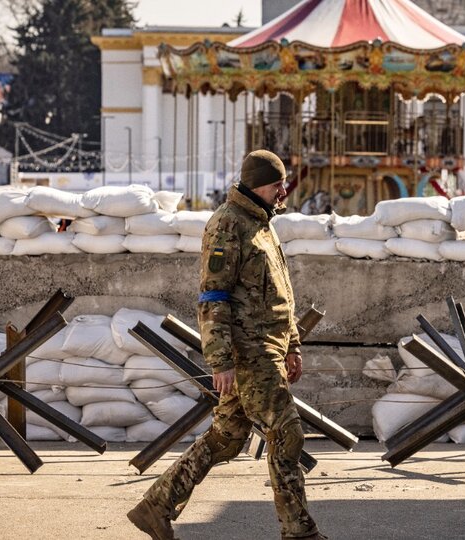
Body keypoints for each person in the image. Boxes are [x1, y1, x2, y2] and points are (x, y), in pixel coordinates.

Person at [127, 150, 324, 540]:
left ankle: (156, 506)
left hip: (269, 348)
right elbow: (213, 297)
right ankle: (299, 532)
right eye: (276, 184)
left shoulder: (264, 224)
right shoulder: (227, 226)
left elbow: (281, 295)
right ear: (256, 185)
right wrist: (220, 361)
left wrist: (293, 345)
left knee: (227, 438)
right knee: (287, 433)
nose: (283, 191)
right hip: (247, 353)